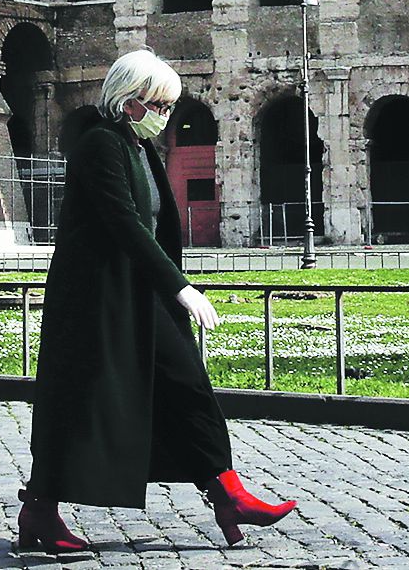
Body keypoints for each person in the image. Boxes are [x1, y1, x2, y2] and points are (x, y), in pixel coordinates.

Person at [18, 50, 297, 554]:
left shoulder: (140, 148)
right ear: (130, 104)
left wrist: (168, 284)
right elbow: (124, 223)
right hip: (97, 300)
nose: (167, 115)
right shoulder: (99, 145)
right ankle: (40, 510)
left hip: (140, 291)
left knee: (187, 383)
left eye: (169, 105)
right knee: (79, 402)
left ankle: (228, 494)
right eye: (160, 105)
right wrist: (181, 286)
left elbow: (151, 226)